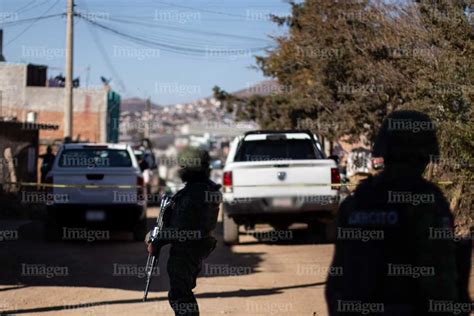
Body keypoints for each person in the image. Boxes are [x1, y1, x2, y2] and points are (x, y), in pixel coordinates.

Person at [325, 111, 466, 315]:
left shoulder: (357, 201)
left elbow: (336, 279)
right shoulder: (426, 200)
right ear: (424, 151)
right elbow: (438, 277)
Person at [146, 147, 221, 316]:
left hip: (187, 250)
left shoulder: (194, 194)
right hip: (195, 247)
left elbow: (182, 229)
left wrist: (156, 238)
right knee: (182, 292)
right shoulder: (205, 188)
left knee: (180, 294)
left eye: (184, 167)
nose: (181, 171)